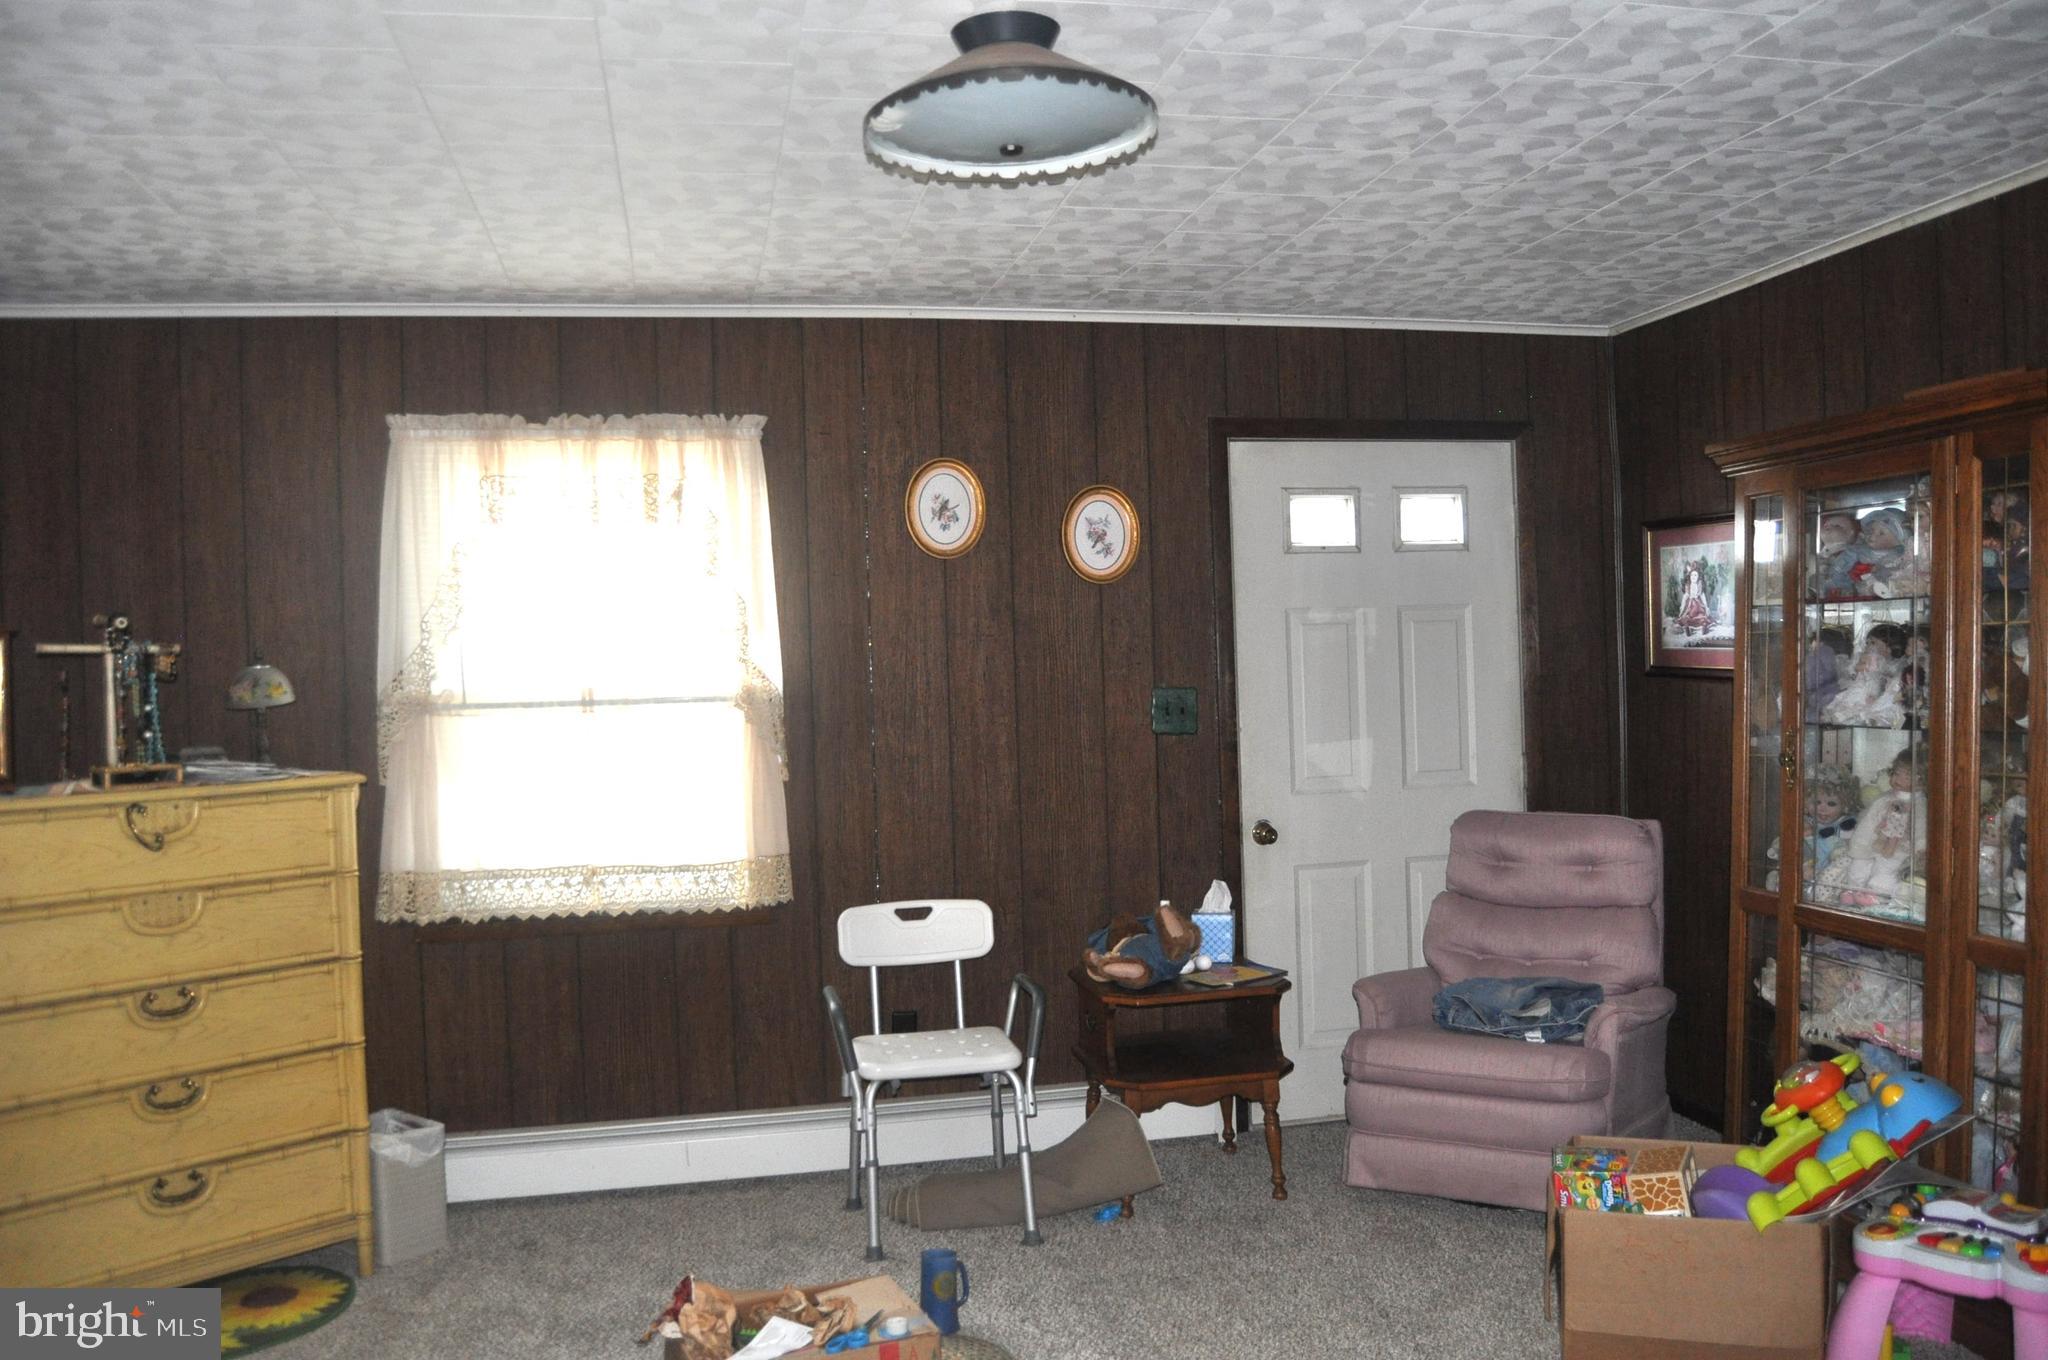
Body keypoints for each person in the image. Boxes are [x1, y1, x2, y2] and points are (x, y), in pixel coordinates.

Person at [1674, 558, 1712, 636]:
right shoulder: (1688, 586)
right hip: (1690, 606)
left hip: (1698, 605)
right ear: (1689, 576)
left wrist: (1706, 607)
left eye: (1695, 575)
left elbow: (1703, 596)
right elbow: (1685, 598)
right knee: (1687, 617)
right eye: (1692, 575)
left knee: (1702, 616)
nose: (1693, 577)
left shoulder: (1700, 585)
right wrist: (1682, 607)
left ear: (1698, 577)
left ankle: (1703, 626)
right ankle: (1687, 627)